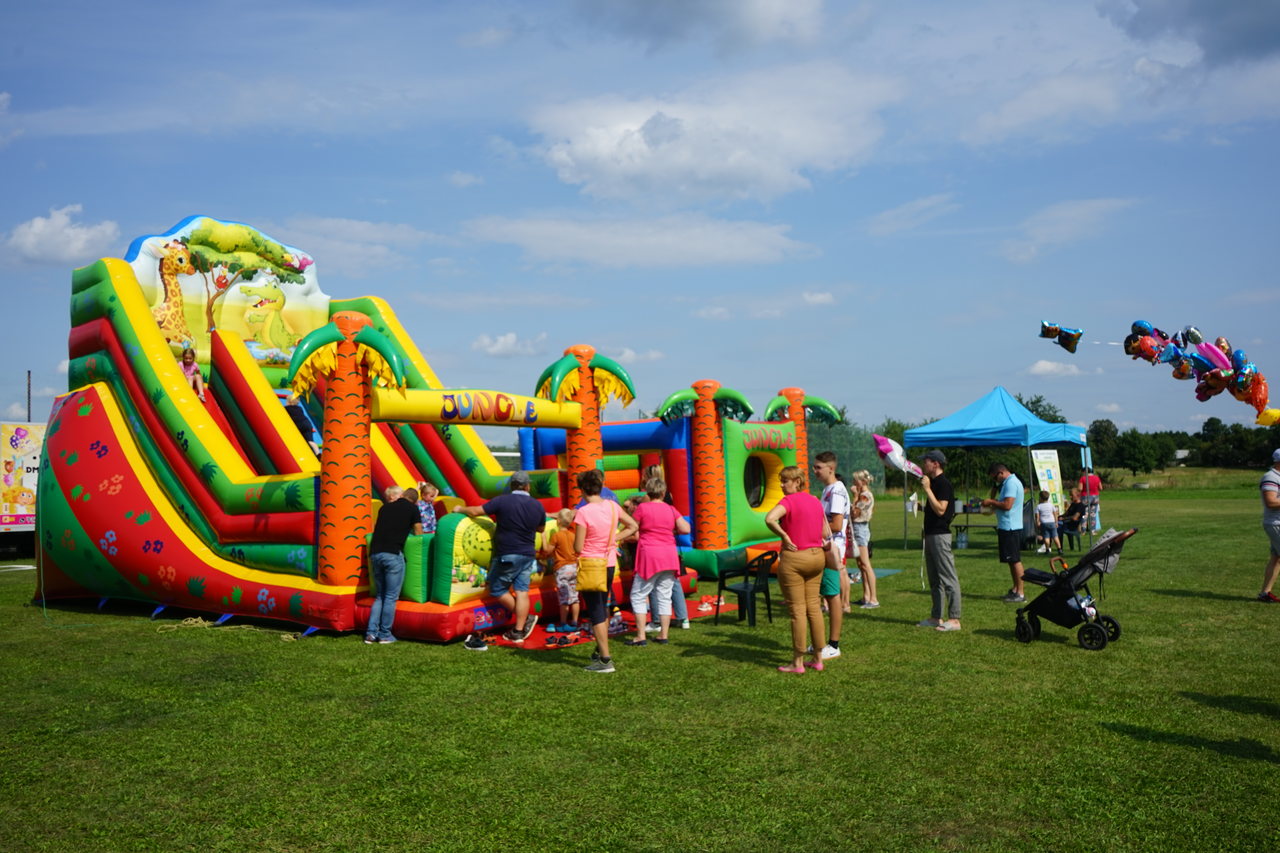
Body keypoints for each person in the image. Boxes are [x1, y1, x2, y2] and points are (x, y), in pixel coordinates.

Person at [454, 471, 546, 649]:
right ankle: (519, 629)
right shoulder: (537, 505)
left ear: (512, 486)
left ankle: (525, 619)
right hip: (527, 554)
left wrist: (459, 509)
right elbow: (541, 528)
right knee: (522, 591)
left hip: (508, 553)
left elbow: (475, 511)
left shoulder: (502, 500)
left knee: (496, 588)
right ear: (528, 486)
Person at [765, 465, 831, 673]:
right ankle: (818, 658)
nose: (782, 485)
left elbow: (769, 518)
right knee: (814, 607)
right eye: (781, 481)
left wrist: (784, 535)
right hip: (816, 557)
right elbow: (826, 531)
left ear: (797, 482)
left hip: (795, 559)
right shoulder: (814, 501)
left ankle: (797, 662)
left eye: (785, 481)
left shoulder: (788, 501)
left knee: (797, 611)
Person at [575, 468, 639, 673]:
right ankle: (600, 647)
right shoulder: (612, 506)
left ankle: (605, 659)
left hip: (591, 564)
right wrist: (615, 538)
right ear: (600, 487)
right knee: (603, 606)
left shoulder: (583, 512)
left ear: (582, 489)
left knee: (595, 610)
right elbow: (633, 526)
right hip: (610, 563)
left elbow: (578, 547)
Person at [626, 476, 691, 647]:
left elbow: (632, 527)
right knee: (664, 595)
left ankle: (640, 636)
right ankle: (663, 634)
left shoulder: (642, 508)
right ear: (663, 492)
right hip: (669, 556)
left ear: (648, 492)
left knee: (638, 595)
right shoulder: (671, 509)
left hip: (650, 556)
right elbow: (686, 528)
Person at [366, 486, 423, 644]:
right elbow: (419, 534)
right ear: (415, 500)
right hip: (392, 554)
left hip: (375, 553)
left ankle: (371, 634)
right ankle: (384, 634)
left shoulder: (385, 508)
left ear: (403, 495)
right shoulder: (413, 509)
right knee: (390, 597)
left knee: (380, 596)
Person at [916, 450, 960, 631]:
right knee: (934, 579)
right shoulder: (934, 483)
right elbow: (934, 509)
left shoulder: (943, 484)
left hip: (940, 536)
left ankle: (955, 619)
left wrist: (926, 489)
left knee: (948, 577)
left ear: (935, 463)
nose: (922, 465)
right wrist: (921, 507)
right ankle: (936, 616)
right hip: (931, 535)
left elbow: (941, 510)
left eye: (925, 461)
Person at [811, 452, 849, 661]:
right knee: (825, 593)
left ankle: (833, 645)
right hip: (825, 548)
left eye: (818, 467)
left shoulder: (836, 491)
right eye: (814, 467)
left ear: (830, 469)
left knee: (832, 595)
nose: (814, 471)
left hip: (833, 550)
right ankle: (821, 642)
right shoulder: (828, 489)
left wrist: (808, 528)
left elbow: (835, 525)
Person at [982, 463, 1026, 602]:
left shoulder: (1011, 483)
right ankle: (1015, 589)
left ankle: (1020, 593)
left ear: (1001, 472)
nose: (996, 481)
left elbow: (1007, 505)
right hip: (1007, 526)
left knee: (1015, 560)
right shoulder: (1009, 482)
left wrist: (991, 501)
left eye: (995, 478)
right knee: (1011, 560)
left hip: (1011, 527)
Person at [539, 508, 580, 634]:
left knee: (564, 597)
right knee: (574, 597)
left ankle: (563, 623)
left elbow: (547, 551)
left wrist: (543, 537)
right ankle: (574, 621)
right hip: (574, 567)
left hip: (562, 568)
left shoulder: (556, 536)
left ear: (558, 521)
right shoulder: (573, 535)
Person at [849, 469, 877, 609]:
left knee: (866, 564)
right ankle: (866, 596)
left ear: (863, 482)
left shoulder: (865, 496)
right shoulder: (863, 495)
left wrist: (854, 496)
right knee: (861, 565)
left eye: (856, 480)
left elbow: (854, 513)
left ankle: (873, 599)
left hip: (860, 528)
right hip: (858, 528)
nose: (854, 483)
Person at [1257, 449, 1280, 603]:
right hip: (1276, 523)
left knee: (1276, 557)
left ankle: (1265, 593)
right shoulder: (1270, 477)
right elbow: (1270, 502)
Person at [1034, 490, 1061, 554]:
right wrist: (1056, 522)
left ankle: (1047, 549)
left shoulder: (1038, 506)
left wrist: (1037, 522)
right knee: (1055, 536)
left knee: (1046, 537)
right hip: (1052, 522)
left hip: (1044, 523)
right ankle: (1059, 549)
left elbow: (1037, 516)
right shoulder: (1051, 505)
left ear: (1040, 498)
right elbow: (1055, 514)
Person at [1078, 467, 1103, 532]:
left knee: (1084, 515)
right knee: (1093, 514)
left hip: (1085, 497)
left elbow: (1080, 489)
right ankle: (1093, 530)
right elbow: (1100, 488)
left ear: (1084, 472)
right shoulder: (1097, 478)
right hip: (1095, 498)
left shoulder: (1083, 478)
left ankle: (1083, 530)